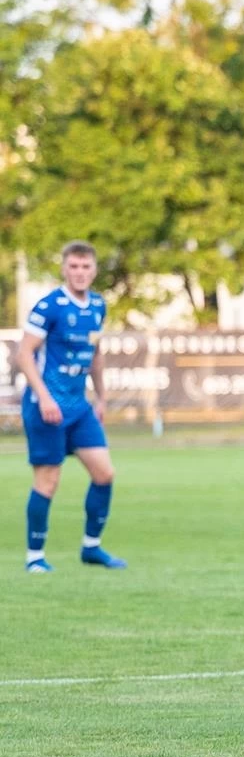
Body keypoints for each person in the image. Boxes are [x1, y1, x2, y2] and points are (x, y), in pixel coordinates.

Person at [16, 240, 125, 573]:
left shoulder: (98, 306)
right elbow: (24, 354)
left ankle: (91, 547)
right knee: (48, 482)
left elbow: (96, 354)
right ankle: (35, 557)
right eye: (74, 266)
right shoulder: (50, 306)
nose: (80, 272)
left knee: (104, 473)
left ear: (94, 270)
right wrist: (45, 397)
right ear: (64, 269)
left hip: (79, 408)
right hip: (46, 407)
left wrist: (101, 397)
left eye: (86, 266)